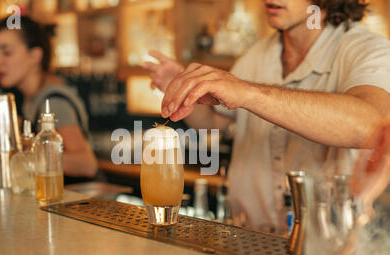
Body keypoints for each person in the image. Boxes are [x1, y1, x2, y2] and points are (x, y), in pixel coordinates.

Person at [144, 0, 390, 234]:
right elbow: (214, 122)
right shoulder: (258, 53)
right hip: (250, 240)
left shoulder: (366, 49)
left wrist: (248, 92)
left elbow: (371, 124)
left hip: (325, 250)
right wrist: (186, 90)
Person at [0, 16, 98, 183]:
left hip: (74, 202)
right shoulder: (28, 98)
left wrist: (27, 157)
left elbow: (87, 164)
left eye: (6, 52)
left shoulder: (53, 102)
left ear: (35, 55)